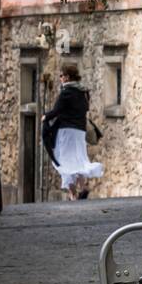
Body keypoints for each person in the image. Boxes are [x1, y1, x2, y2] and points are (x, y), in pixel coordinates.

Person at [42, 63, 104, 200]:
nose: (60, 78)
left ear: (67, 77)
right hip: (80, 132)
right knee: (80, 159)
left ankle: (72, 193)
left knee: (64, 160)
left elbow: (57, 111)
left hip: (66, 132)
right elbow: (85, 110)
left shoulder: (66, 93)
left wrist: (46, 116)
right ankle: (82, 187)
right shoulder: (84, 93)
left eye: (61, 75)